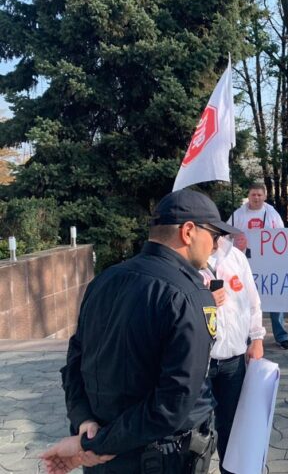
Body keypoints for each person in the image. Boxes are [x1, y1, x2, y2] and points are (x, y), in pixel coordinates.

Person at [41, 189, 242, 473]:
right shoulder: (189, 295)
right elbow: (174, 402)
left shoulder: (105, 279)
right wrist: (95, 445)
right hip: (160, 458)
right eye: (214, 235)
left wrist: (84, 423)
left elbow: (74, 362)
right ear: (188, 232)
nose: (215, 246)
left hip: (102, 454)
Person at [201, 237, 265, 474]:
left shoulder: (235, 256)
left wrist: (257, 338)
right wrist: (204, 300)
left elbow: (252, 300)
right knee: (196, 430)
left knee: (232, 427)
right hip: (200, 363)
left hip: (233, 361)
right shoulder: (187, 259)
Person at [228, 183, 288, 350]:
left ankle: (281, 336)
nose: (256, 198)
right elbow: (226, 234)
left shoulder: (272, 214)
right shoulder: (238, 214)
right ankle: (248, 336)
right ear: (248, 196)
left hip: (270, 265)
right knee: (248, 301)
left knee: (275, 300)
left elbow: (282, 236)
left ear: (264, 196)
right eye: (253, 195)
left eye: (259, 195)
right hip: (245, 265)